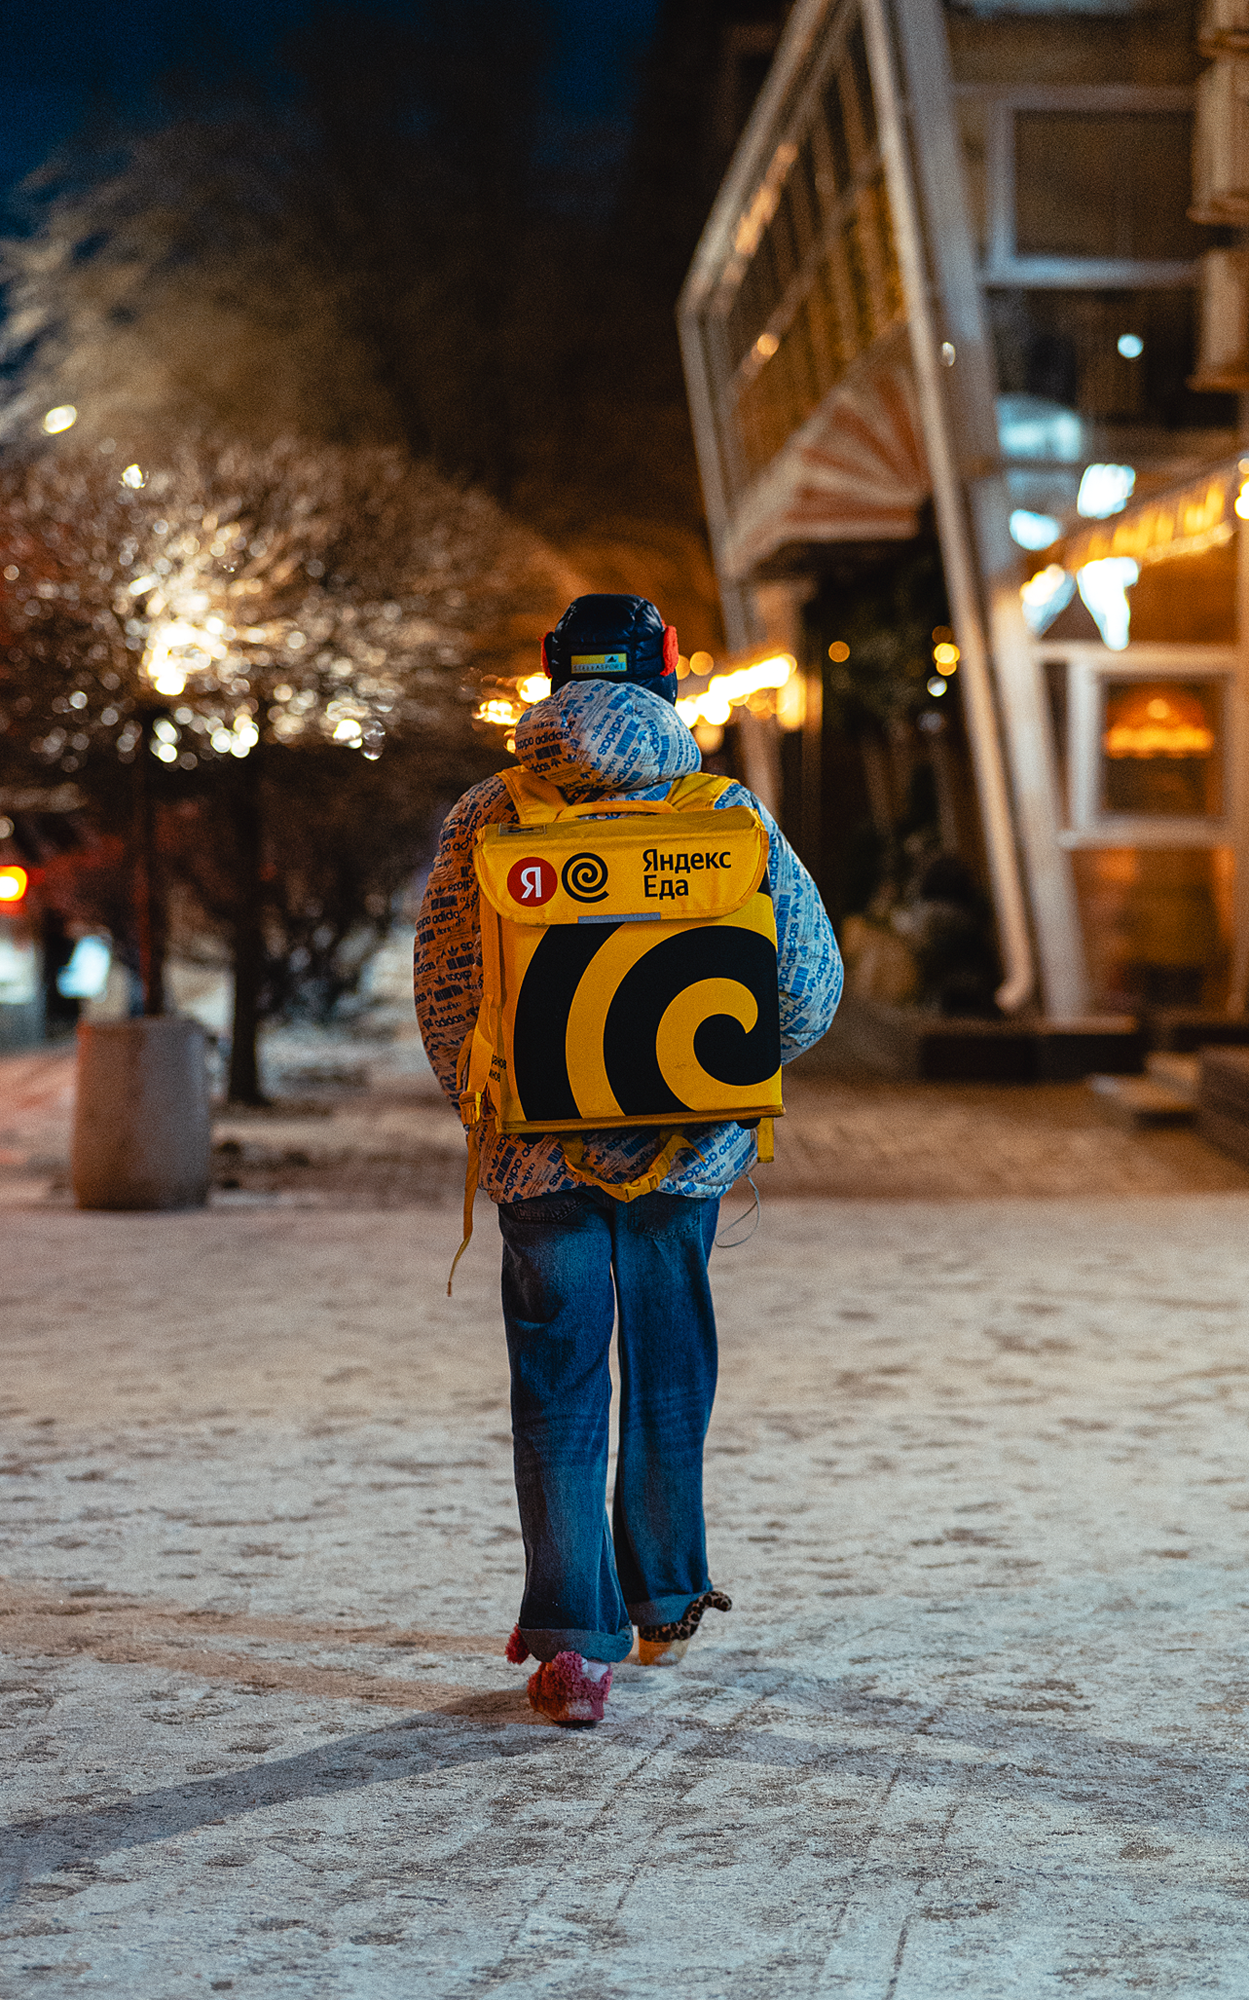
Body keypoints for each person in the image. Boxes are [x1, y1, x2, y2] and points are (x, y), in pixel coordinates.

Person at [415, 594, 841, 1726]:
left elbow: (446, 990)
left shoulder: (485, 814)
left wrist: (495, 1101)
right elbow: (805, 986)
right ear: (663, 677)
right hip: (679, 1158)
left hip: (538, 1165)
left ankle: (569, 1641)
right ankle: (661, 1595)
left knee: (557, 1390)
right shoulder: (721, 810)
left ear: (549, 676)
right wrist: (711, 1095)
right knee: (667, 1378)